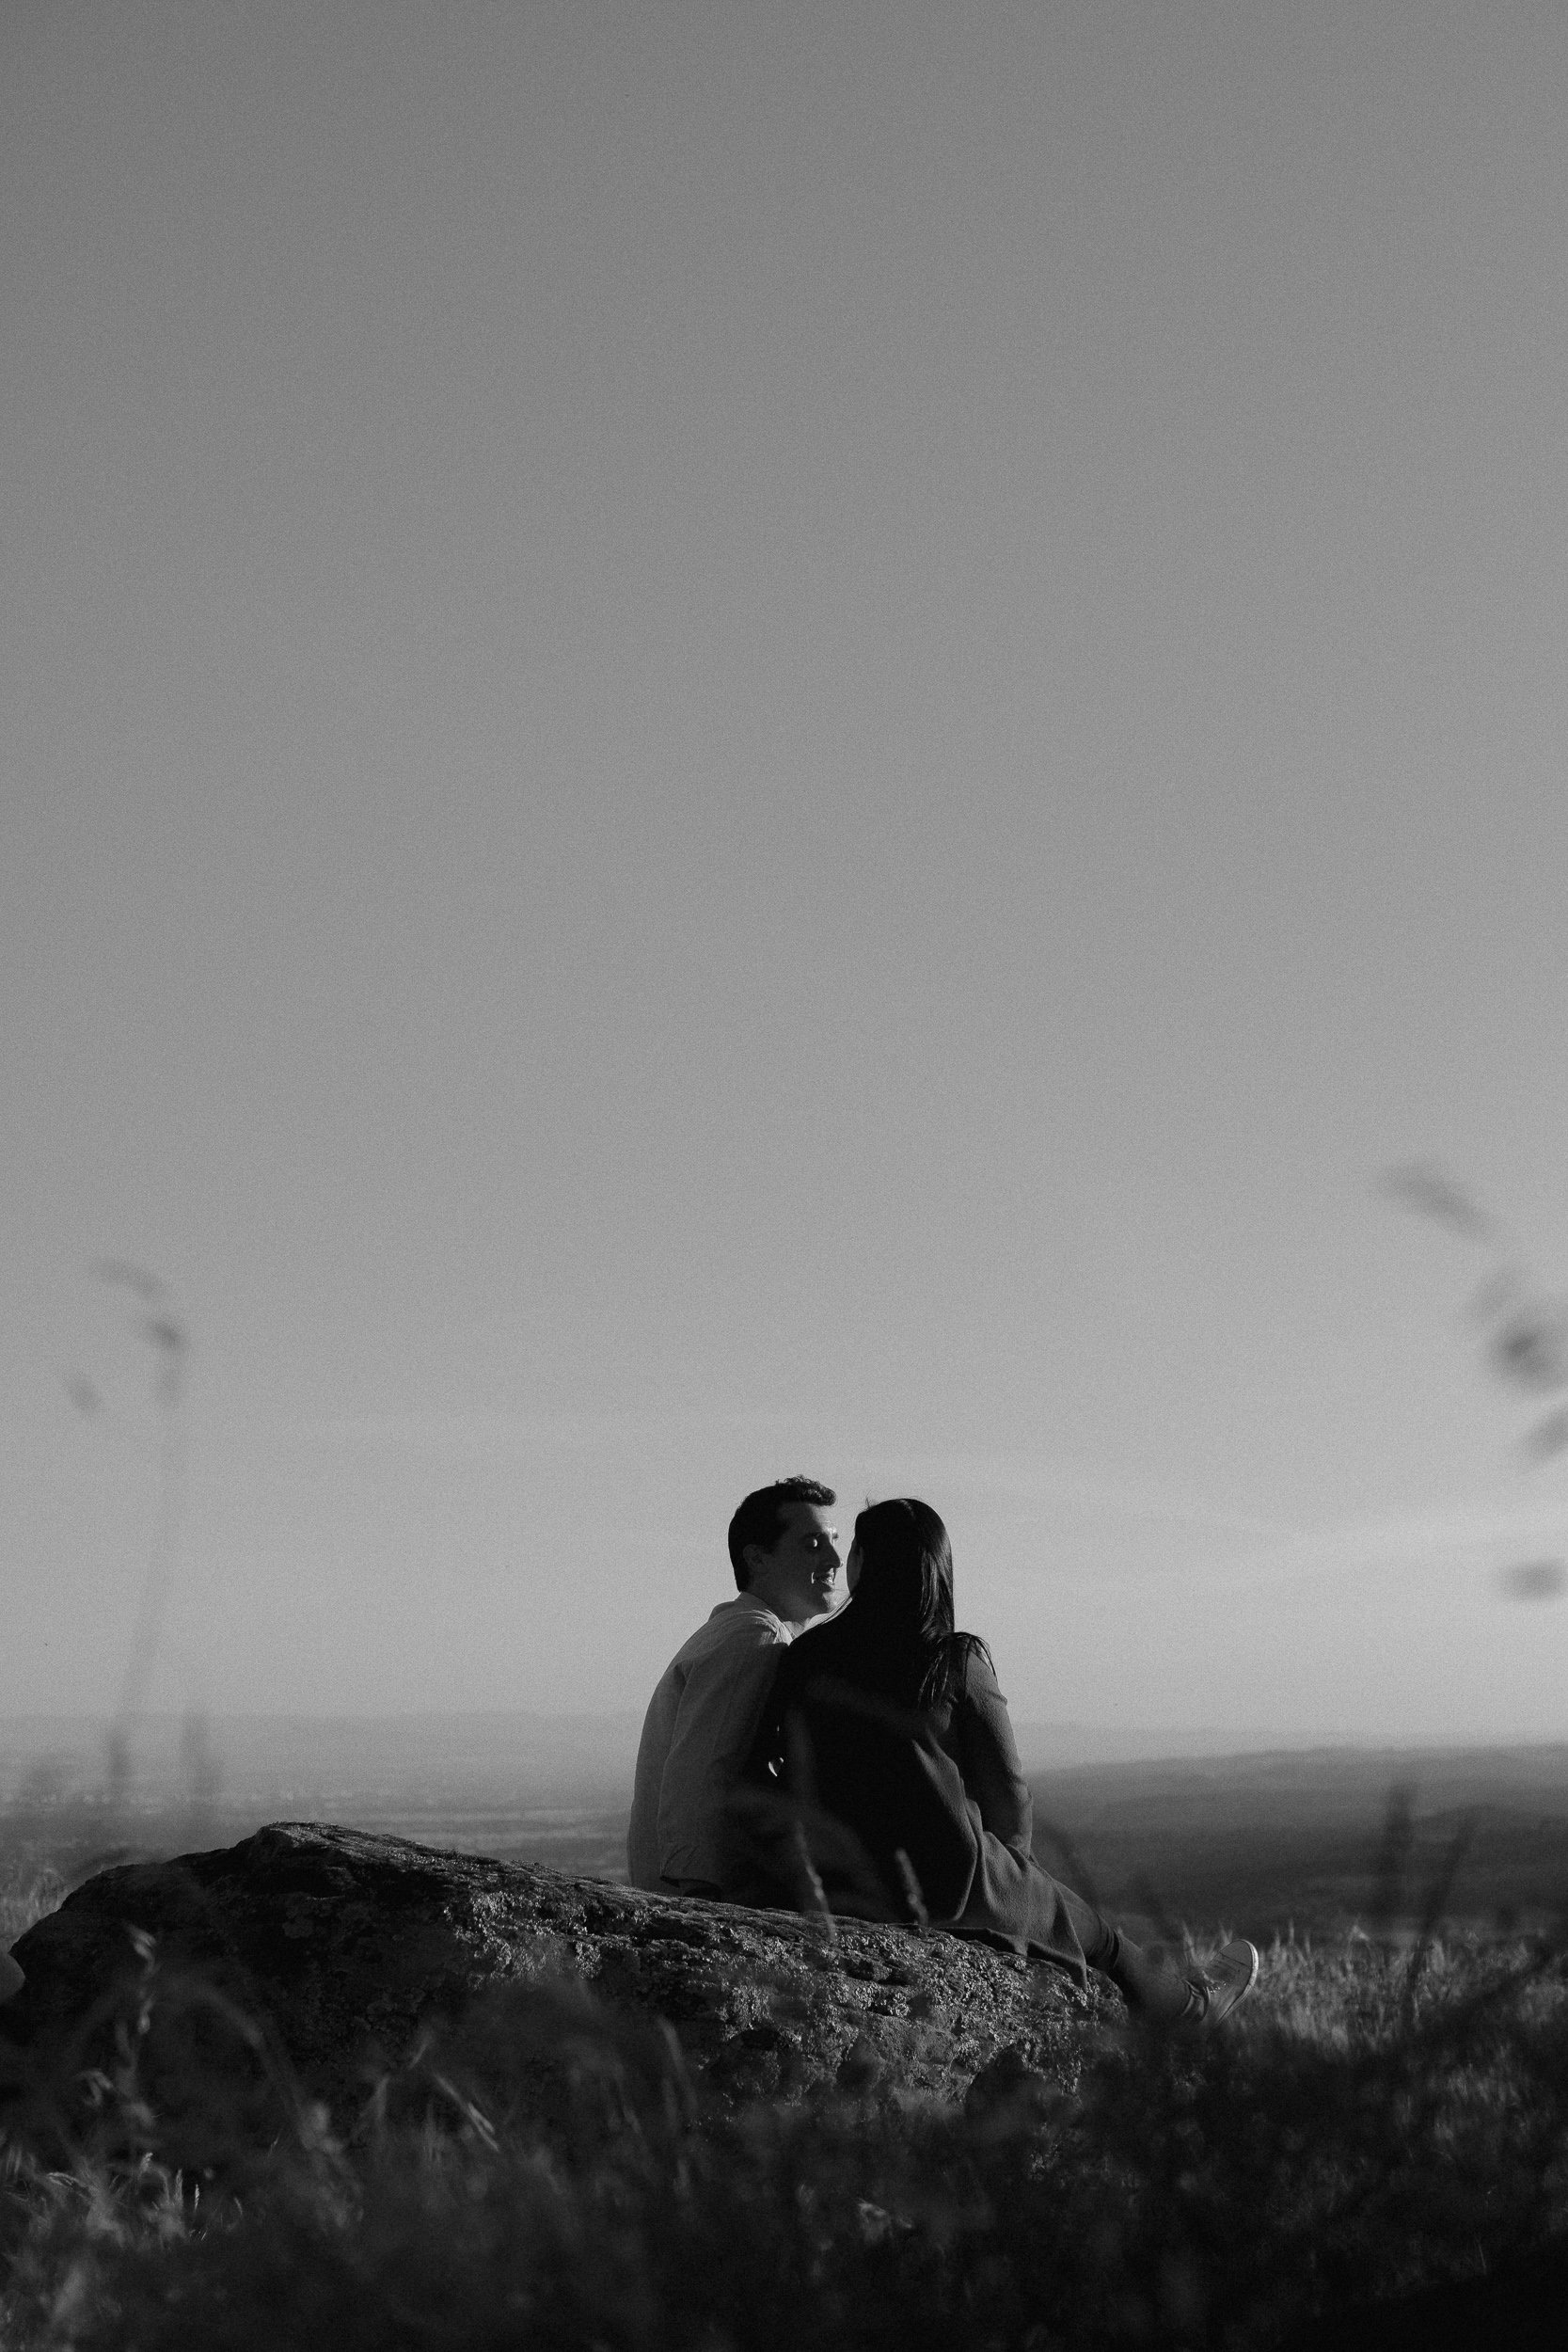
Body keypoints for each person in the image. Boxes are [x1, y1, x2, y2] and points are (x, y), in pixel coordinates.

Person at [742, 1497, 1259, 2030]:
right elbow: (1007, 1790)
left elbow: (768, 1766)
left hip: (836, 1880)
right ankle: (1196, 2009)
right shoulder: (952, 1660)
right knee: (1096, 1934)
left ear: (865, 1563)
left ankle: (1183, 1996)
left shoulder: (803, 1658)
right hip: (953, 1880)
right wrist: (1016, 1876)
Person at [626, 1476, 842, 1897]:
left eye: (834, 1539)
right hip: (698, 1899)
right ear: (758, 1560)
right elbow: (705, 1774)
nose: (835, 1557)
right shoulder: (754, 1637)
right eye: (812, 1544)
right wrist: (700, 1901)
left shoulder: (733, 1630)